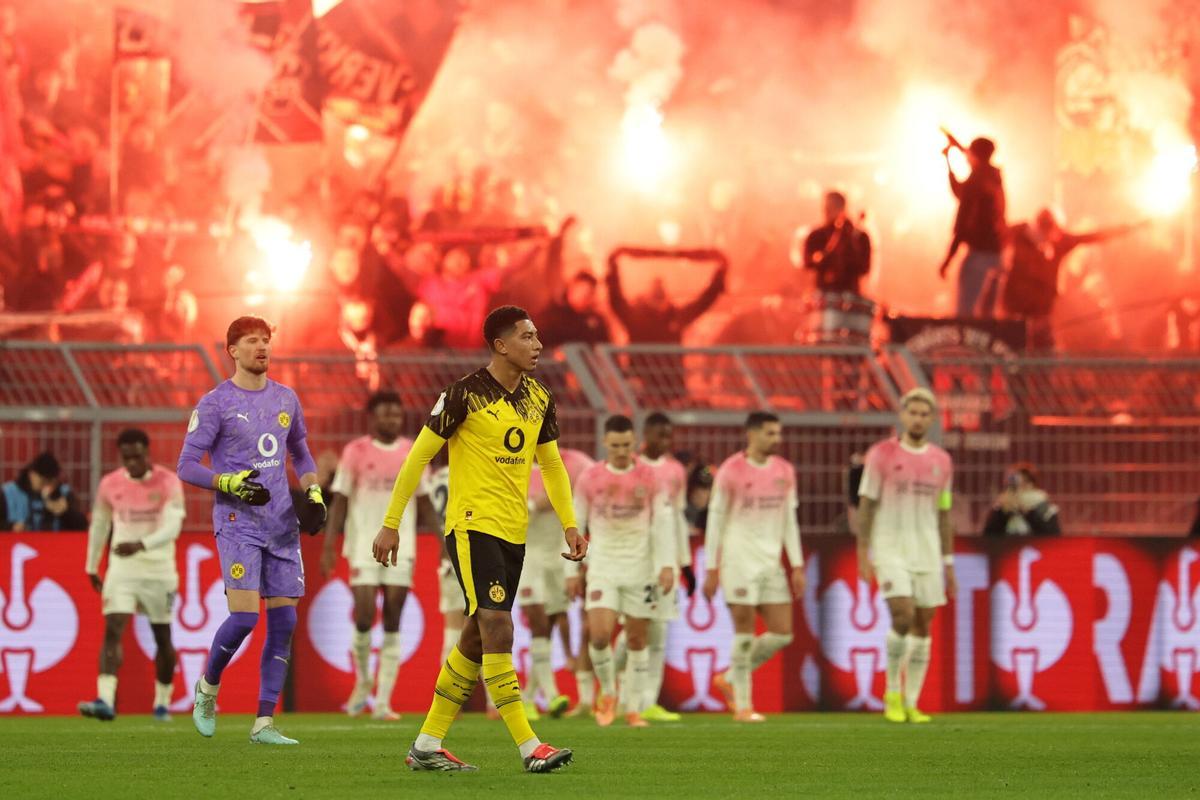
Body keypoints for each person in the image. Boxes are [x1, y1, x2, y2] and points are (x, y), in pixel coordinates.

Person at [372, 305, 585, 774]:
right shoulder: (462, 396)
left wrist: (569, 522)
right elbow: (417, 459)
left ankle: (427, 744)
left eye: (537, 336)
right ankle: (530, 746)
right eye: (528, 337)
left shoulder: (540, 398)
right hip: (472, 526)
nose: (538, 345)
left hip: (514, 530)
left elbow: (550, 465)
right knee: (498, 626)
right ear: (501, 345)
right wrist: (391, 522)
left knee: (473, 636)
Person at [177, 316, 327, 745]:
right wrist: (227, 483)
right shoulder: (215, 403)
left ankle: (264, 723)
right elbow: (186, 465)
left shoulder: (286, 398)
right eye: (251, 341)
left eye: (266, 341)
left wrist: (314, 495)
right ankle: (208, 688)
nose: (261, 347)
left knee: (284, 622)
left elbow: (300, 451)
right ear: (233, 351)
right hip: (237, 523)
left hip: (281, 523)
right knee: (244, 617)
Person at [320, 390, 433, 721]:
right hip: (363, 546)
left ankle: (383, 701)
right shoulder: (355, 452)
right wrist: (328, 545)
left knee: (394, 619)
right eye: (385, 414)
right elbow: (340, 500)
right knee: (366, 615)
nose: (392, 420)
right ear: (373, 417)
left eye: (396, 415)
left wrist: (443, 543)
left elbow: (424, 500)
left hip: (403, 547)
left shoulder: (413, 452)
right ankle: (363, 680)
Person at [855, 387, 955, 724]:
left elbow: (943, 514)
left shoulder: (942, 462)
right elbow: (866, 503)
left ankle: (912, 701)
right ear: (902, 415)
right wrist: (862, 550)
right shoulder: (880, 455)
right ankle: (891, 693)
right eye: (912, 412)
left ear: (933, 418)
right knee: (902, 614)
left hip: (926, 551)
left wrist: (949, 564)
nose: (918, 419)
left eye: (924, 414)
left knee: (924, 625)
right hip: (889, 547)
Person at [567, 415, 673, 728]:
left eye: (627, 444)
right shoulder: (590, 478)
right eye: (615, 445)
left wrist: (666, 564)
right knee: (599, 636)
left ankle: (634, 708)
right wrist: (571, 571)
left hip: (641, 569)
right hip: (602, 567)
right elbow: (576, 525)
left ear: (634, 441)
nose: (622, 451)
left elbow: (662, 524)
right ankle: (609, 693)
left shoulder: (650, 477)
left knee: (638, 640)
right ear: (605, 443)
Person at [703, 412, 804, 723]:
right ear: (752, 434)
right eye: (771, 433)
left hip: (771, 563)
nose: (777, 439)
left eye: (778, 433)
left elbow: (789, 520)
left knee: (783, 633)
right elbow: (716, 520)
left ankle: (730, 677)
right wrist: (711, 566)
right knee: (744, 633)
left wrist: (797, 564)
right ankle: (744, 706)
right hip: (737, 560)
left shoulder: (785, 471)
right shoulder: (731, 471)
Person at [78, 428, 184, 722]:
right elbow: (99, 524)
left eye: (137, 456)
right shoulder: (110, 484)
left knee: (162, 636)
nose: (133, 463)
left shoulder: (168, 482)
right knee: (113, 628)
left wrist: (141, 544)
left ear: (147, 452)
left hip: (159, 569)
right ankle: (104, 699)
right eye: (127, 458)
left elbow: (173, 528)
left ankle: (162, 703)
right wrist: (91, 565)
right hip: (122, 568)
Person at [518, 446, 595, 720]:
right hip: (527, 558)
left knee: (551, 623)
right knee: (538, 621)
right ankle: (551, 697)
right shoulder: (516, 465)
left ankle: (527, 698)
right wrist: (531, 505)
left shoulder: (574, 464)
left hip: (557, 557)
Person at [1005, 210, 1142, 351]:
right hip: (1017, 311)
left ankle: (1040, 369)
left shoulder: (1058, 243)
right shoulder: (1019, 237)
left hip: (1042, 311)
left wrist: (1127, 228)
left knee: (1045, 352)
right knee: (1017, 351)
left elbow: (1091, 237)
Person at [635, 411, 694, 721]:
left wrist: (685, 563)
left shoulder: (675, 470)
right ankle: (622, 694)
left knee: (658, 629)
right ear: (647, 434)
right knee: (634, 629)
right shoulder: (633, 466)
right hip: (634, 558)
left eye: (669, 436)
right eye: (660, 435)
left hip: (665, 559)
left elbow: (678, 519)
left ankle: (647, 701)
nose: (665, 441)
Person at [939, 137, 1006, 318]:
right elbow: (962, 191)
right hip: (997, 254)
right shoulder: (994, 177)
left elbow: (963, 222)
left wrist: (948, 259)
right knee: (988, 316)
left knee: (965, 312)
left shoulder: (976, 180)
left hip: (978, 255)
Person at [605, 252, 727, 344]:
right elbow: (616, 299)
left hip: (665, 376)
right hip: (644, 375)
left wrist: (719, 277)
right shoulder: (636, 318)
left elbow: (703, 302)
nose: (659, 305)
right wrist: (613, 271)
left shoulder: (675, 317)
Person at [803, 191, 872, 295]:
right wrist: (833, 244)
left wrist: (850, 244)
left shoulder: (859, 237)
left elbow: (864, 269)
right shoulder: (816, 235)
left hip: (851, 299)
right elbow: (808, 263)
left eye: (830, 208)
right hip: (822, 297)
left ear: (843, 209)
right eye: (826, 208)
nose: (825, 211)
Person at [1, 451, 88, 531]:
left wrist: (66, 513)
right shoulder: (7, 493)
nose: (47, 486)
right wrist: (11, 527)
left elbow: (82, 526)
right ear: (32, 474)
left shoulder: (64, 493)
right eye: (43, 481)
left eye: (51, 482)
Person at [983, 463, 1061, 536]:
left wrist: (1029, 512)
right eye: (1015, 484)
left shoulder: (1045, 509)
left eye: (1026, 482)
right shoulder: (1001, 507)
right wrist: (1003, 513)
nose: (1021, 489)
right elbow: (988, 536)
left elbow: (1053, 537)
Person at [536, 271, 611, 348]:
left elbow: (604, 344)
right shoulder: (552, 316)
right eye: (581, 290)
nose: (583, 296)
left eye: (589, 292)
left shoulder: (595, 320)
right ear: (571, 288)